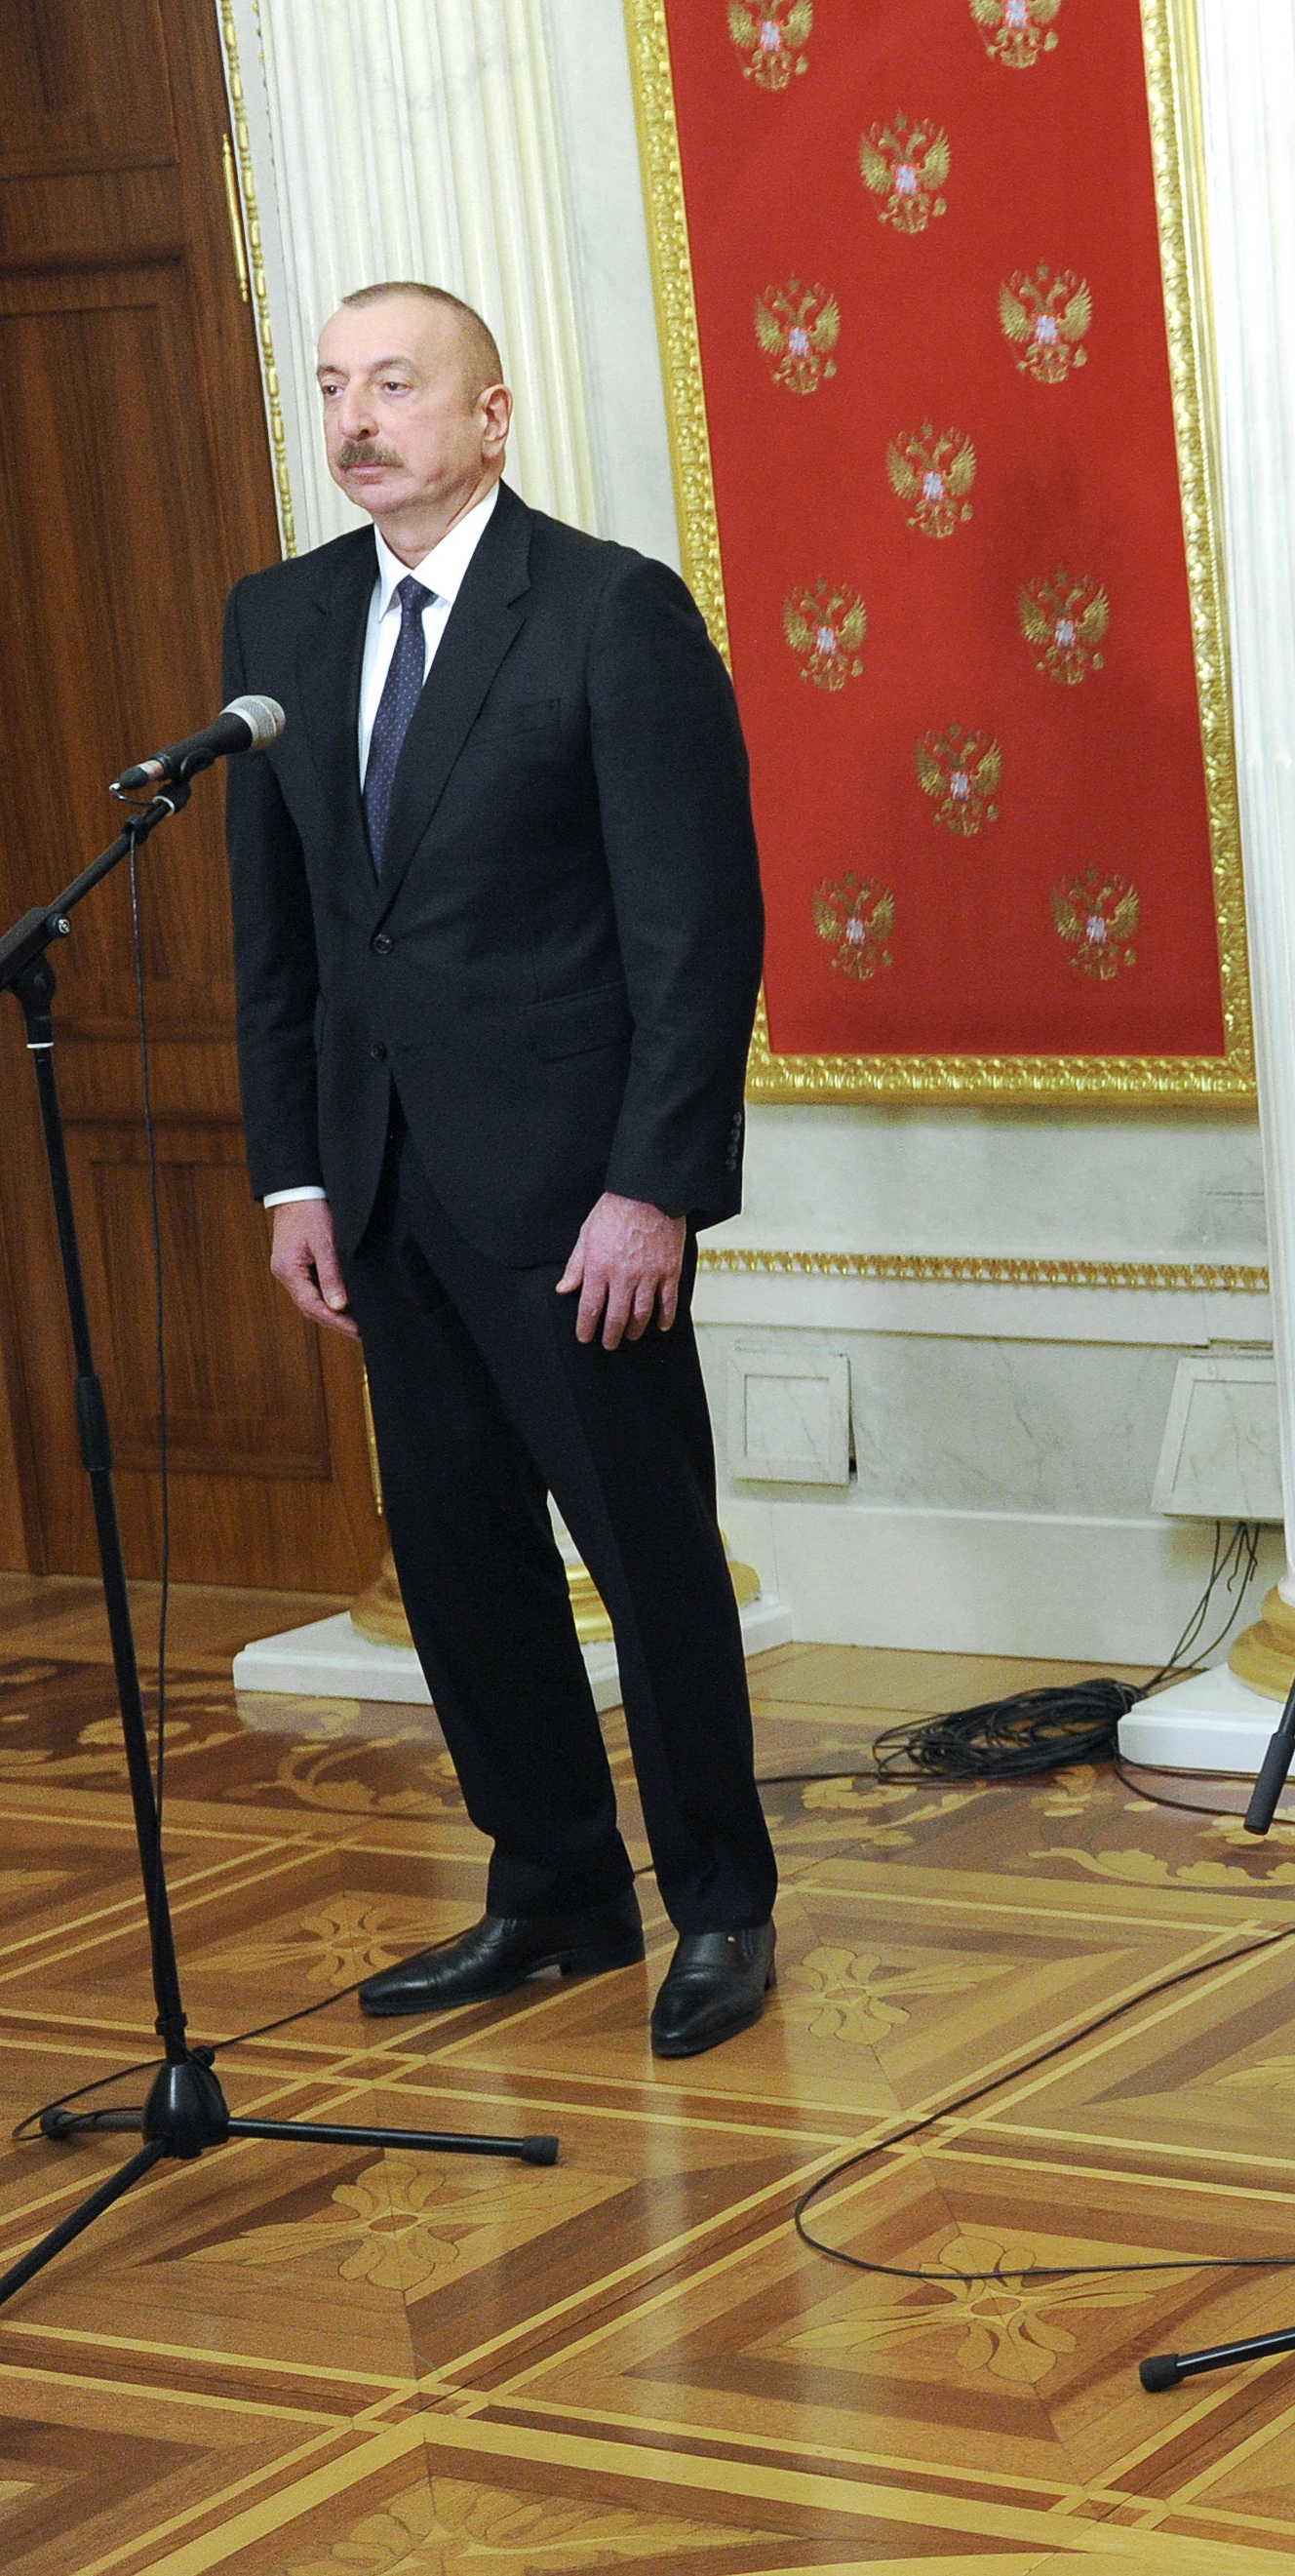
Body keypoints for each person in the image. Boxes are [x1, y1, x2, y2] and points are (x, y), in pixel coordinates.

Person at [224, 283, 778, 2058]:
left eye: (397, 384)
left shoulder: (610, 611)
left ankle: (721, 1901)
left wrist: (653, 1187)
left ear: (491, 413)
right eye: (335, 386)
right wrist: (293, 1178)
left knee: (648, 1554)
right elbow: (280, 940)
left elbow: (699, 930)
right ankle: (553, 1885)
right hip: (380, 1186)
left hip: (576, 1198)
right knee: (460, 1561)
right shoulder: (282, 619)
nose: (357, 418)